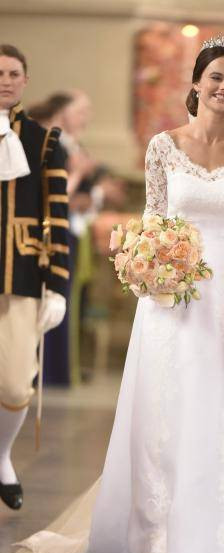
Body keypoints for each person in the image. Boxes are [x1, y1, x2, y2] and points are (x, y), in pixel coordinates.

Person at [21, 35, 224, 553]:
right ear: (196, 84)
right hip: (170, 299)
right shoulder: (162, 146)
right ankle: (157, 535)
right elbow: (153, 221)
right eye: (216, 78)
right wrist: (142, 265)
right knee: (167, 409)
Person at [0, 44, 69, 509]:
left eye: (13, 73)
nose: (5, 80)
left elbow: (57, 216)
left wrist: (58, 285)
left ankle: (2, 456)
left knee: (13, 383)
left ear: (25, 80)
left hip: (20, 274)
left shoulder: (44, 141)